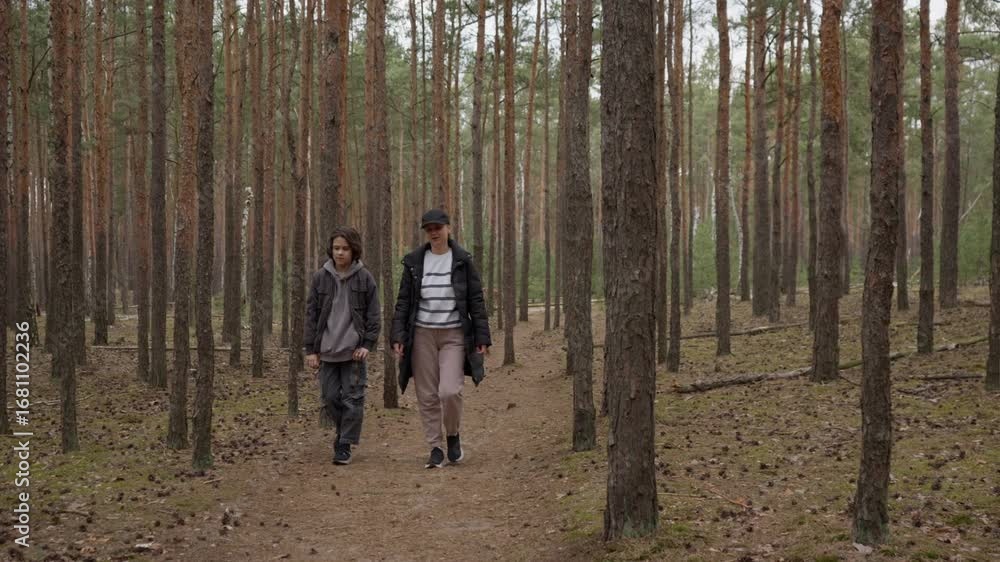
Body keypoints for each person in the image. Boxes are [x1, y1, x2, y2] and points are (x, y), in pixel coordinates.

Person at [391, 209, 492, 468]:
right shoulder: (414, 262)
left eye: (438, 227)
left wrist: (482, 337)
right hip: (421, 334)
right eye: (429, 229)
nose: (434, 232)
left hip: (454, 334)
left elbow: (476, 301)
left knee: (449, 391)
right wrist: (398, 336)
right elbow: (403, 302)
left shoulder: (462, 260)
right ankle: (435, 447)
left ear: (448, 228)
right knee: (426, 394)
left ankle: (453, 434)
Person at [303, 227, 380, 465]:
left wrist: (367, 344)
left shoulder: (365, 278)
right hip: (327, 350)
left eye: (345, 248)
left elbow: (373, 314)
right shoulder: (320, 277)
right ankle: (342, 431)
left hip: (354, 352)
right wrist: (311, 350)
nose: (340, 253)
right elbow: (311, 315)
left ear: (354, 250)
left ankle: (344, 444)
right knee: (329, 398)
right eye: (336, 248)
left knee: (353, 399)